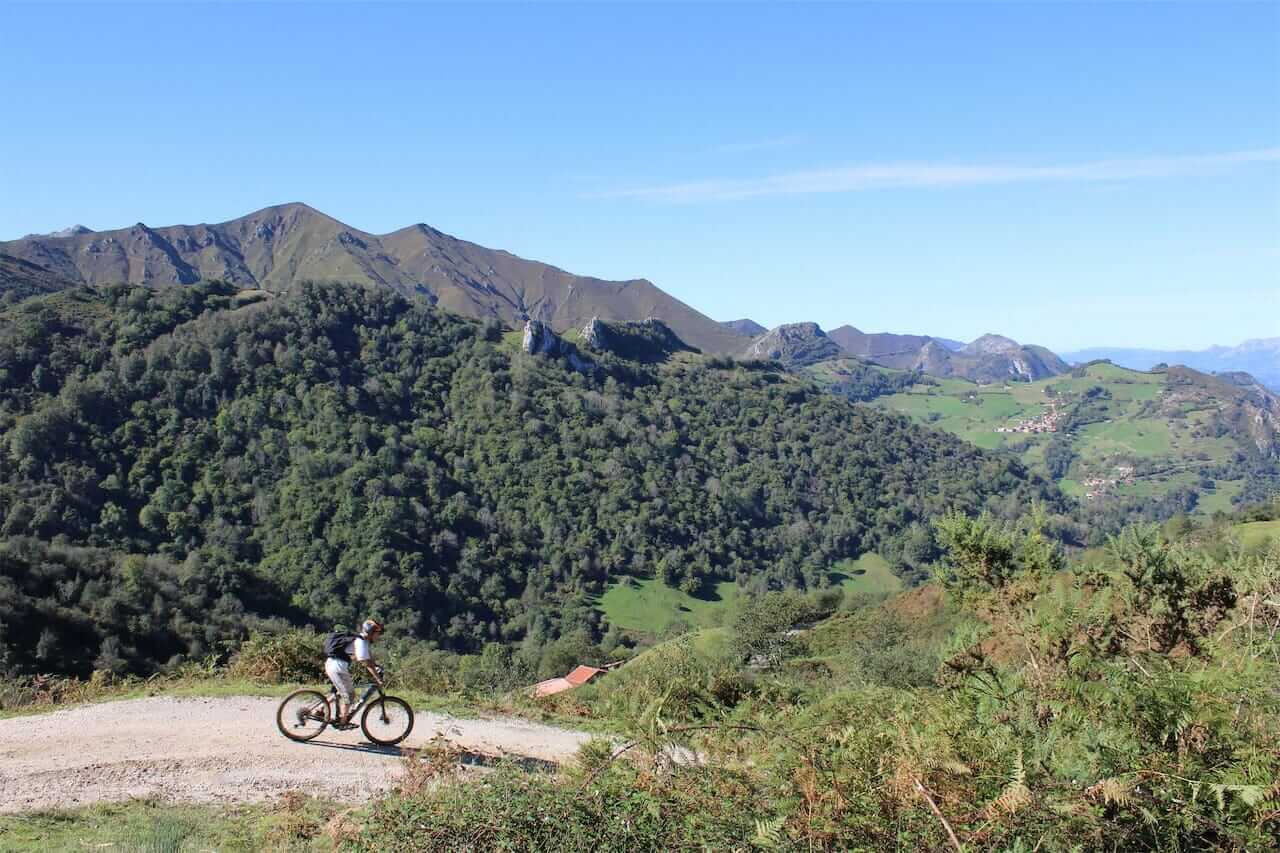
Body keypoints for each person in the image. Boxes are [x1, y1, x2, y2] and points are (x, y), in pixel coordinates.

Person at [324, 619, 384, 725]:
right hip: (337, 667)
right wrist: (377, 678)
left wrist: (376, 666)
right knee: (349, 695)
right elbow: (365, 661)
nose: (378, 637)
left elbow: (367, 658)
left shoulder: (360, 640)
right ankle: (343, 722)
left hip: (333, 664)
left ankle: (319, 710)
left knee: (340, 693)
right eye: (377, 634)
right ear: (371, 633)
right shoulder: (361, 641)